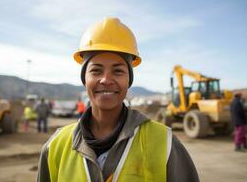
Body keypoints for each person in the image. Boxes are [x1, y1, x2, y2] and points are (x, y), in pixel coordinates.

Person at [38, 17, 199, 182]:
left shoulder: (164, 143)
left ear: (129, 79)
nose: (106, 80)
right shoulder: (56, 147)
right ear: (84, 78)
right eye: (96, 71)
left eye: (118, 71)